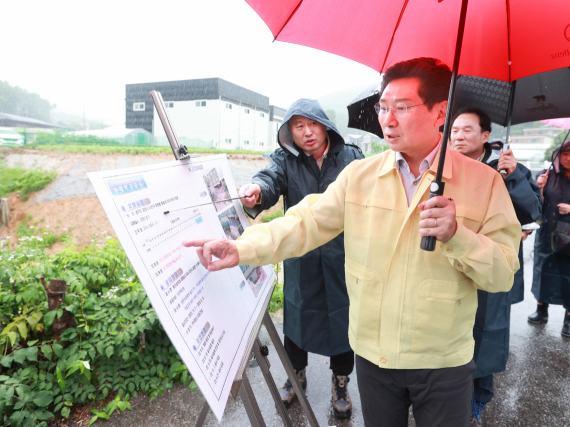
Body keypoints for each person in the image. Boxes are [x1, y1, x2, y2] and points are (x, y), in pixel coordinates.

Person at [184, 57, 521, 427]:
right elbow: (305, 221)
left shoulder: (483, 183)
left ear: (440, 111)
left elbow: (503, 274)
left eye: (402, 108)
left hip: (443, 361)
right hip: (374, 358)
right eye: (383, 107)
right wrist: (243, 248)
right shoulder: (361, 175)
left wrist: (458, 236)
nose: (387, 119)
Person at [237, 98, 363, 418]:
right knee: (297, 316)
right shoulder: (285, 159)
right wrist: (257, 190)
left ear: (325, 126)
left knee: (342, 317)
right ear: (289, 132)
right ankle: (296, 378)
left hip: (342, 256)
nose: (307, 133)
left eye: (313, 124)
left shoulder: (350, 157)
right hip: (301, 254)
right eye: (298, 126)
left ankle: (340, 382)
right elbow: (270, 179)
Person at [449, 107, 542, 426]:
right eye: (454, 130)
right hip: (455, 261)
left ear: (485, 136)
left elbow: (532, 212)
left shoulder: (507, 168)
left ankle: (478, 400)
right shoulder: (444, 167)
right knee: (451, 330)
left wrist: (514, 176)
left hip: (490, 264)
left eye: (467, 131)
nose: (458, 136)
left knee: (486, 334)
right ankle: (449, 397)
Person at [529, 140, 570, 337]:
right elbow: (536, 203)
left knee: (568, 276)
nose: (568, 158)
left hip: (568, 237)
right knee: (543, 270)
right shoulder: (547, 175)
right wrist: (541, 188)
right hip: (546, 233)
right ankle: (541, 309)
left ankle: (569, 318)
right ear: (557, 156)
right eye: (564, 154)